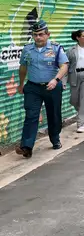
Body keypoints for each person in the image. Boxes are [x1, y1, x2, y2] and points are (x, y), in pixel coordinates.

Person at [15, 20, 69, 158]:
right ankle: (26, 147)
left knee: (54, 114)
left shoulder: (56, 48)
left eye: (40, 34)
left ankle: (55, 139)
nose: (38, 37)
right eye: (35, 35)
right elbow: (23, 68)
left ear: (47, 34)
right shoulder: (27, 49)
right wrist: (21, 84)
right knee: (31, 115)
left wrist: (56, 80)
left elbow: (64, 66)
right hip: (33, 87)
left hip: (52, 87)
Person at [67, 29, 84, 133]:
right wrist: (64, 81)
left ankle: (81, 124)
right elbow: (65, 65)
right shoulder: (71, 50)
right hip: (74, 75)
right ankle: (83, 115)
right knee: (74, 100)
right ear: (78, 38)